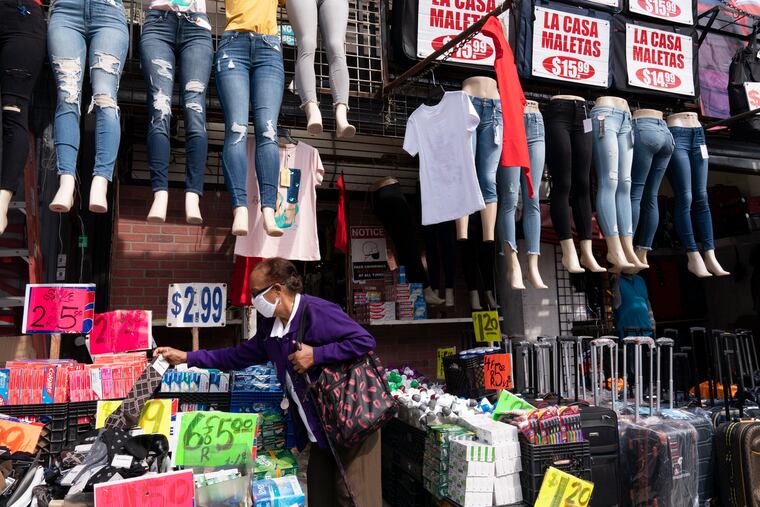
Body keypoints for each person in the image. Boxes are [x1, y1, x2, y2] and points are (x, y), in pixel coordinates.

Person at [154, 257, 381, 506]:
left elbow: (364, 341)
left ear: (276, 290)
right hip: (320, 429)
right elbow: (236, 356)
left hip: (351, 421)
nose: (253, 301)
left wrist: (315, 355)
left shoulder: (317, 311)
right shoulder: (270, 328)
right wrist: (187, 357)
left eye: (255, 293)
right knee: (320, 497)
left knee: (355, 497)